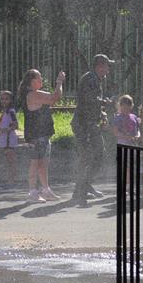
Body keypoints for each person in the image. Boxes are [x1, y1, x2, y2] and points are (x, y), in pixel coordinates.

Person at [71, 54, 113, 205]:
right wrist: (105, 102)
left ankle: (84, 186)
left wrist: (102, 113)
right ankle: (80, 190)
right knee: (88, 157)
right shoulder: (90, 79)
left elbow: (94, 103)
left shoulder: (97, 79)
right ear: (100, 66)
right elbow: (89, 100)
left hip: (90, 123)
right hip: (84, 125)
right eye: (107, 65)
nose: (108, 69)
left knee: (96, 155)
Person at [18, 68, 65, 203]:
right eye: (38, 78)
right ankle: (32, 193)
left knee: (43, 164)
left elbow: (54, 97)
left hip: (43, 135)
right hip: (36, 136)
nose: (41, 80)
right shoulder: (32, 95)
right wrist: (59, 82)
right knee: (35, 164)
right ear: (31, 82)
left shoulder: (36, 93)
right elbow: (54, 98)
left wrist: (59, 84)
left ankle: (45, 190)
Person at [0, 90, 19, 186]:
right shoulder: (5, 112)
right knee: (8, 160)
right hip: (4, 139)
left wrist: (2, 129)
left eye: (6, 99)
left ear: (11, 100)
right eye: (2, 99)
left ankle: (12, 180)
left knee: (11, 160)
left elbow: (15, 126)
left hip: (9, 139)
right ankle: (10, 179)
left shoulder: (11, 112)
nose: (4, 101)